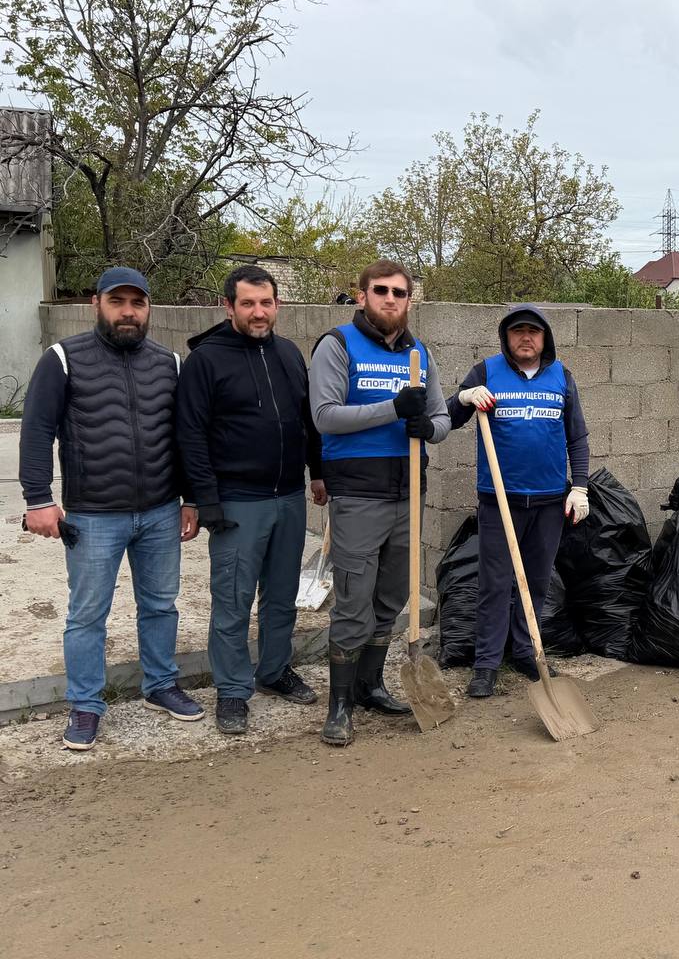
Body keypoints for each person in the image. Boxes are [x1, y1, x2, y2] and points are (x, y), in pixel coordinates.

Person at [19, 267, 204, 750]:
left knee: (161, 605)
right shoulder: (62, 358)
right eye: (117, 302)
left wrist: (191, 499)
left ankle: (160, 685)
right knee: (87, 615)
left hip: (161, 511)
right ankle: (85, 705)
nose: (128, 312)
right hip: (93, 515)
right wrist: (38, 499)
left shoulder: (170, 362)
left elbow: (183, 437)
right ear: (95, 304)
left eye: (137, 303)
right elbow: (37, 430)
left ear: (148, 309)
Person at [177, 265, 325, 735]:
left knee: (282, 597)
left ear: (277, 305)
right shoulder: (206, 360)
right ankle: (233, 690)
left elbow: (307, 419)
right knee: (233, 602)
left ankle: (274, 670)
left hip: (289, 496)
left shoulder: (287, 353)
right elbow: (190, 435)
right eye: (248, 304)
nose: (258, 313)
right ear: (229, 307)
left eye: (266, 303)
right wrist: (203, 500)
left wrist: (318, 473)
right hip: (237, 500)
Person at [309, 260, 450, 746]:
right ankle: (339, 705)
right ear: (363, 295)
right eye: (382, 291)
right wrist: (392, 409)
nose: (391, 300)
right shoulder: (338, 346)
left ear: (410, 300)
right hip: (358, 495)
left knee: (391, 596)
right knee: (353, 601)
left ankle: (371, 685)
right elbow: (326, 416)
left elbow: (440, 416)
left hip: (409, 491)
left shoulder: (419, 353)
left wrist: (427, 428)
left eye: (400, 293)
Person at [447, 305, 590, 698]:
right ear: (506, 338)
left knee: (537, 582)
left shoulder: (562, 378)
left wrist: (580, 486)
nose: (526, 338)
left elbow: (577, 437)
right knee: (495, 584)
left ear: (545, 338)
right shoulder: (486, 372)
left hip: (548, 502)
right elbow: (449, 417)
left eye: (533, 331)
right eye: (517, 332)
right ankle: (487, 663)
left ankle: (526, 652)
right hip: (499, 500)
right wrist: (464, 396)